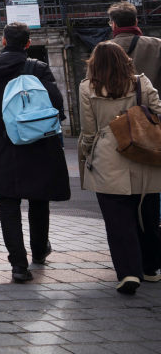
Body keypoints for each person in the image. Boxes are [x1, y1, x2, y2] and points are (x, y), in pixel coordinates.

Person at [0, 22, 70, 284]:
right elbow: (56, 104)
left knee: (8, 201)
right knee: (39, 198)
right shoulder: (38, 68)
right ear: (28, 43)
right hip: (34, 141)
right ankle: (39, 250)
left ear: (3, 41)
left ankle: (18, 265)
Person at [78, 41, 161, 294]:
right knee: (147, 215)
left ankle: (128, 272)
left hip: (108, 156)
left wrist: (87, 153)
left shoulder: (87, 87)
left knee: (117, 220)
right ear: (125, 60)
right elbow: (158, 111)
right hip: (144, 153)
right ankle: (150, 268)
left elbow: (88, 129)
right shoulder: (141, 82)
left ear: (94, 63)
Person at [107, 0, 161, 88]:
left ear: (114, 25)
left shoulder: (101, 50)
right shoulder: (157, 45)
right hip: (153, 96)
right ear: (136, 22)